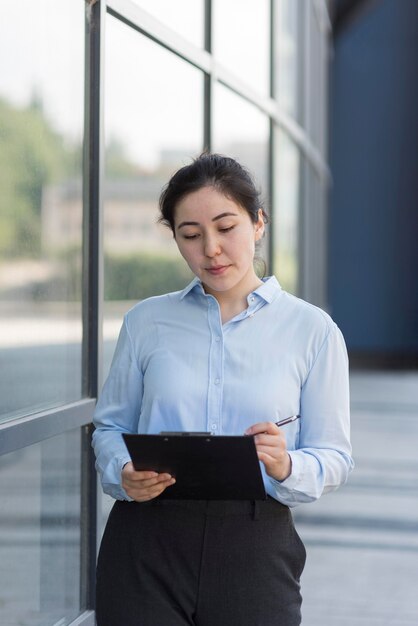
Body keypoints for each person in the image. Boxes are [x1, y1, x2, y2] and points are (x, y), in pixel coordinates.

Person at [92, 153, 354, 626]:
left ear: (258, 224)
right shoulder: (146, 323)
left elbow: (334, 456)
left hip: (255, 547)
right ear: (176, 240)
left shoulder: (313, 331)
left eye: (226, 227)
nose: (210, 249)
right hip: (144, 543)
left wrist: (287, 462)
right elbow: (111, 426)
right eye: (190, 235)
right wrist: (122, 470)